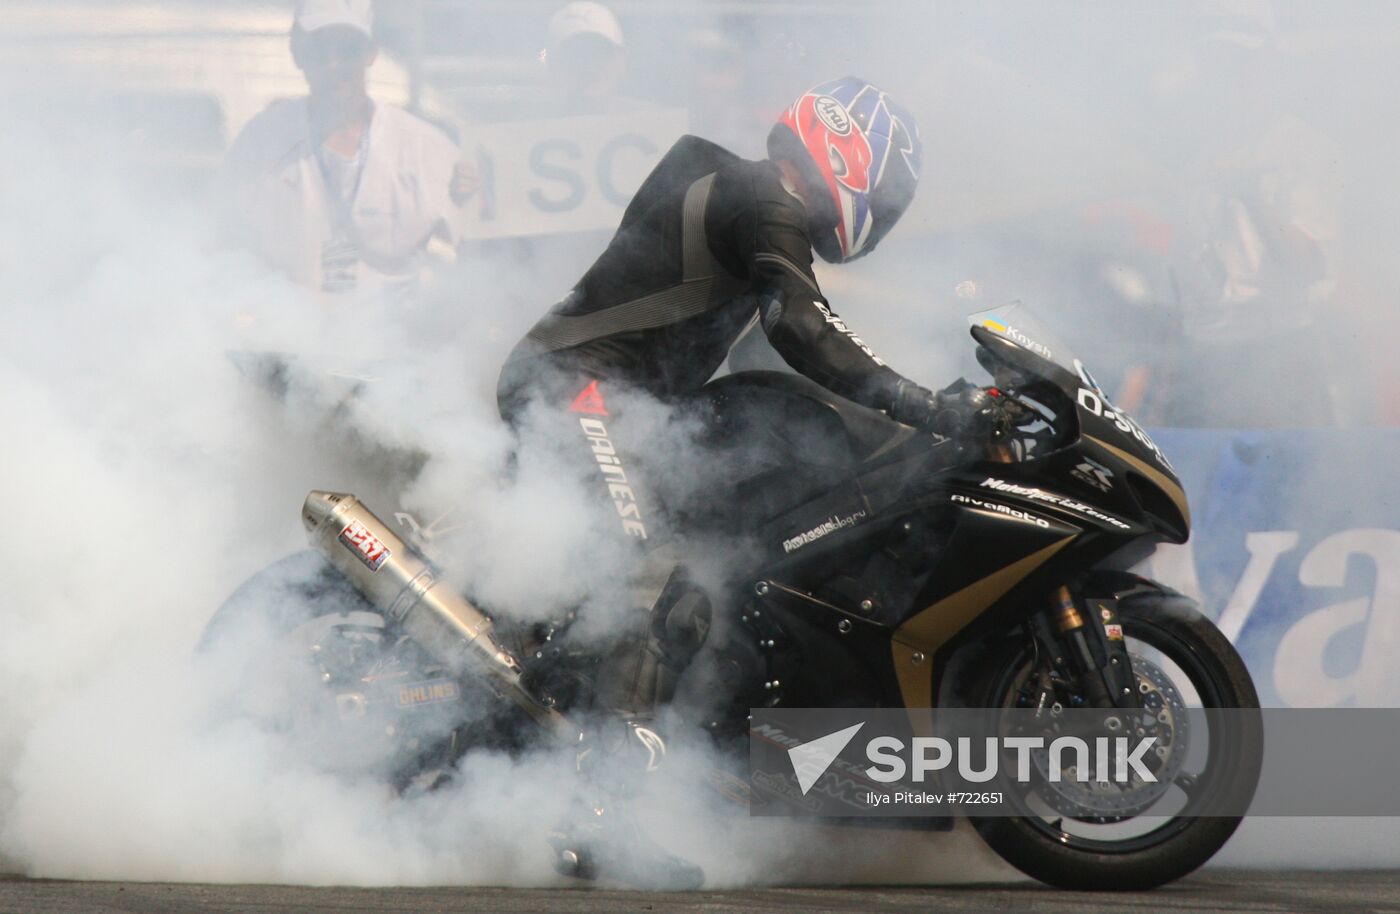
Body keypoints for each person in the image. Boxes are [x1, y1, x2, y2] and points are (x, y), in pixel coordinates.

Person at [490, 77, 992, 886]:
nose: (888, 208)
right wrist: (928, 407)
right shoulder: (763, 197)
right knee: (658, 585)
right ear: (846, 150)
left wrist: (883, 431)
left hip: (617, 403)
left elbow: (775, 355)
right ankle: (594, 819)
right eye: (888, 187)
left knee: (712, 571)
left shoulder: (742, 196)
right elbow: (803, 327)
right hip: (573, 389)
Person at [218, 0, 476, 303]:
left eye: (348, 50)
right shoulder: (261, 142)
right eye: (318, 51)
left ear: (371, 52)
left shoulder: (425, 147)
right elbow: (222, 241)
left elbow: (474, 257)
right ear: (296, 54)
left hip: (395, 339)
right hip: (289, 333)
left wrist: (472, 196)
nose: (333, 65)